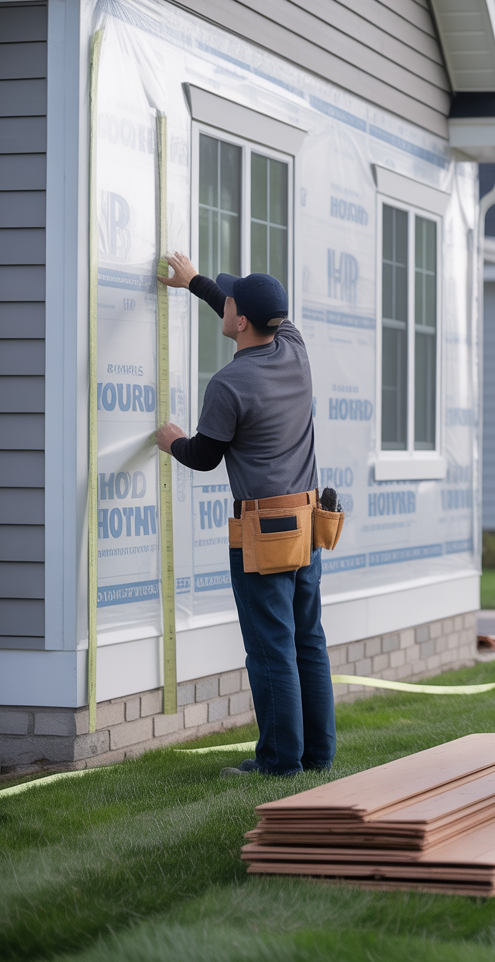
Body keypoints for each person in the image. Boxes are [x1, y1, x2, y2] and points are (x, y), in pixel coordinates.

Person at [154, 252, 335, 778]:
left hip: (263, 532)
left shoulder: (229, 385)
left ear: (241, 322)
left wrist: (172, 442)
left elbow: (205, 457)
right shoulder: (295, 348)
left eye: (229, 301)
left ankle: (280, 762)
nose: (225, 301)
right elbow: (247, 311)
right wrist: (198, 285)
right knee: (308, 641)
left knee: (271, 649)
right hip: (307, 522)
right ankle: (317, 755)